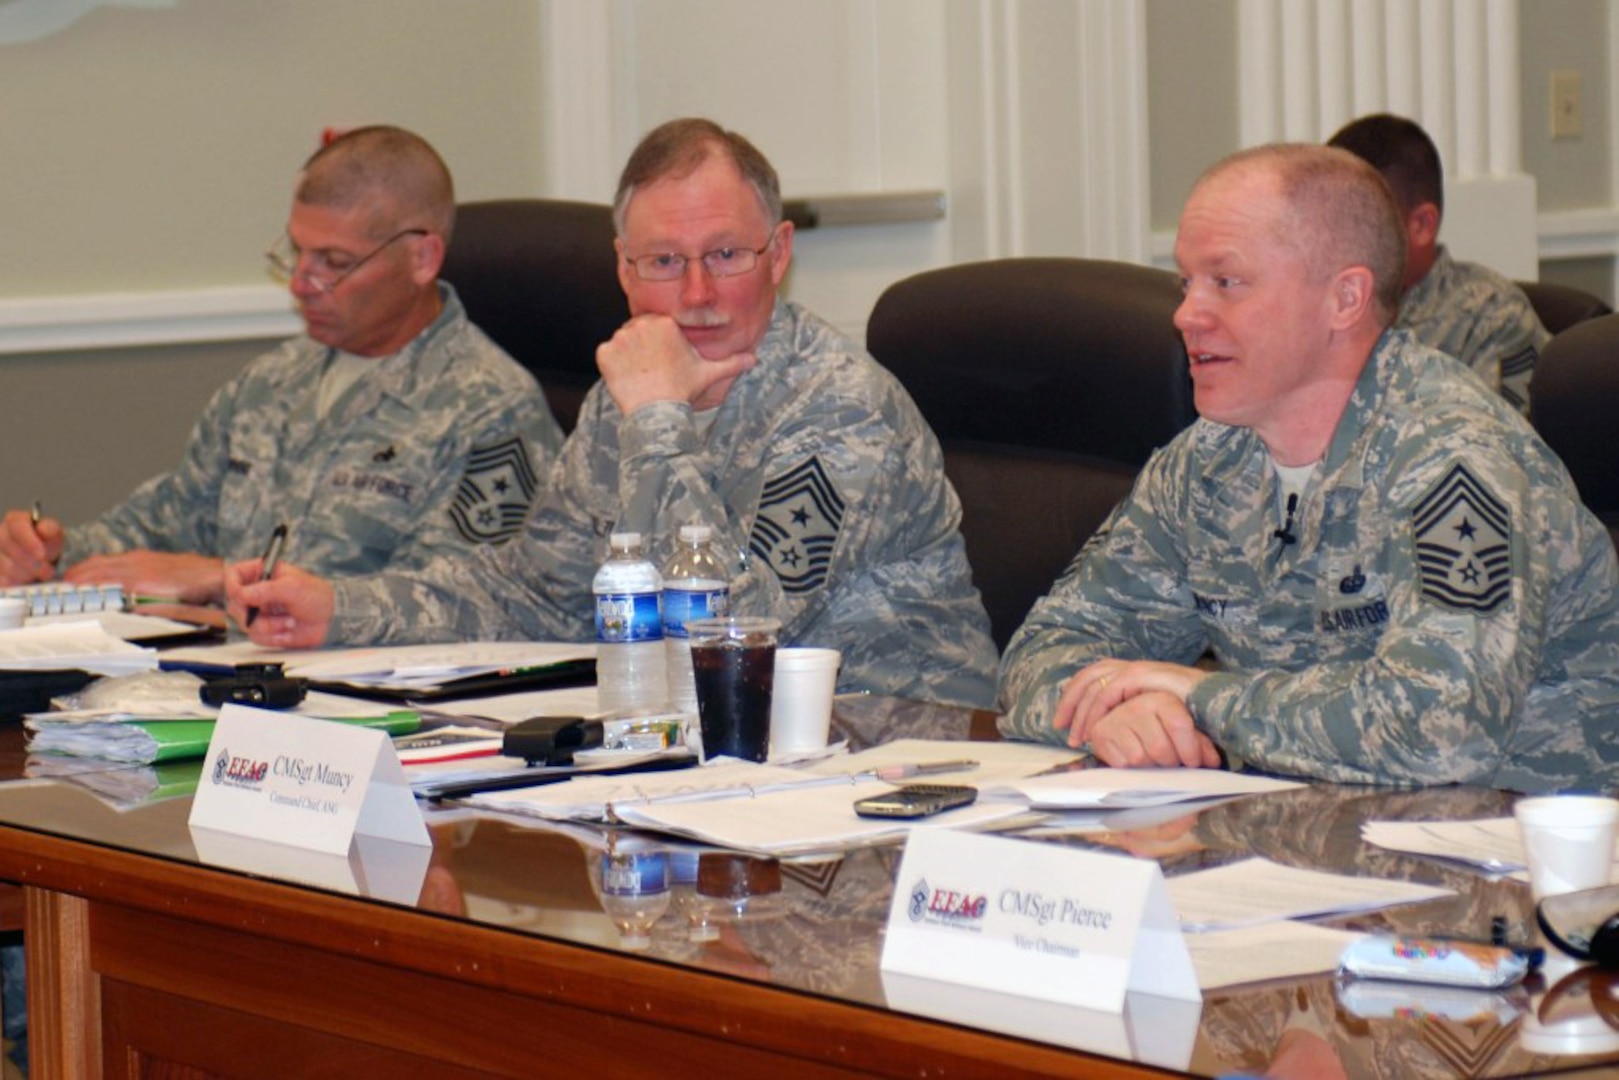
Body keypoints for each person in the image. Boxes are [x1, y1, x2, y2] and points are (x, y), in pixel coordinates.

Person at [227, 118, 998, 709]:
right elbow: (535, 592)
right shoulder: (623, 394)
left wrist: (659, 416)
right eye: (663, 262)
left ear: (779, 252)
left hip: (891, 762)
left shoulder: (840, 406)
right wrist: (343, 608)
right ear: (622, 268)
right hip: (714, 760)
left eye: (727, 255)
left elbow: (735, 633)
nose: (696, 294)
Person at [998, 143, 1619, 793]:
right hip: (1305, 842)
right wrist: (1115, 713)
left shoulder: (1452, 463)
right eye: (1186, 283)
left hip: (1520, 858)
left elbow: (1440, 730)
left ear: (1343, 299)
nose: (1186, 314)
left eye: (1226, 282)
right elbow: (1040, 652)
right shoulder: (1205, 463)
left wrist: (1202, 700)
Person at [0, 125, 562, 608]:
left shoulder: (489, 407)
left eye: (334, 263)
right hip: (214, 682)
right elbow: (165, 523)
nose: (300, 283)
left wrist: (229, 584)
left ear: (421, 257)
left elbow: (461, 603)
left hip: (370, 712)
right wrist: (54, 550)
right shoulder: (273, 382)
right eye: (297, 253)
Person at [1328, 113, 1549, 415]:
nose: (1333, 240)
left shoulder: (1493, 318)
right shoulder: (1318, 307)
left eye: (1357, 224)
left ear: (1421, 225)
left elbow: (1495, 449)